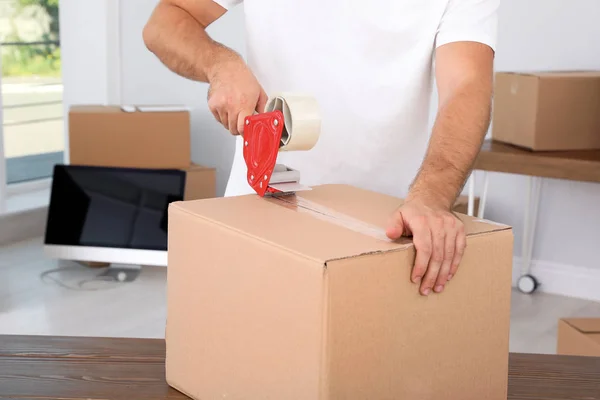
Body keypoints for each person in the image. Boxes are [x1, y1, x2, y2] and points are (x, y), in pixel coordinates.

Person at [143, 0, 499, 296]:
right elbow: (166, 21)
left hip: (388, 229)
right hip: (262, 212)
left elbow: (466, 83)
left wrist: (433, 196)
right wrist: (220, 65)